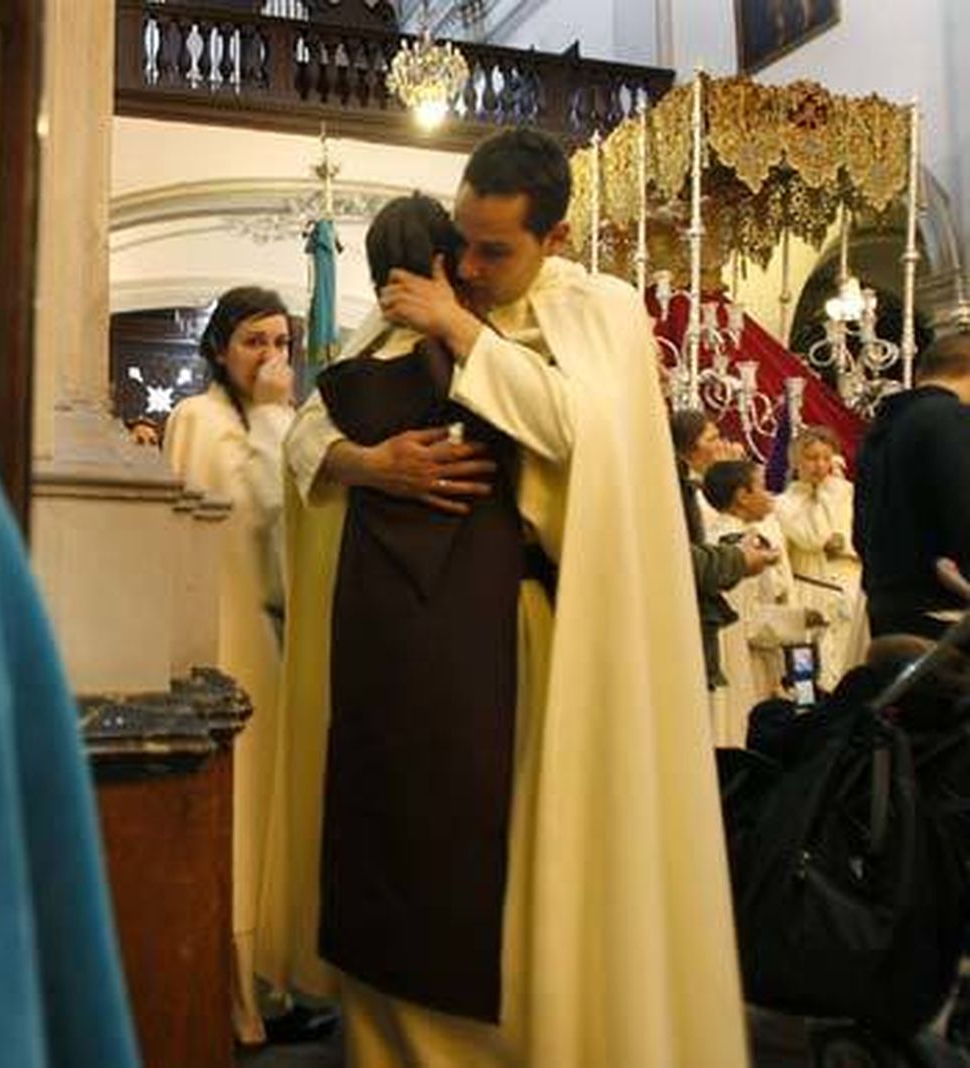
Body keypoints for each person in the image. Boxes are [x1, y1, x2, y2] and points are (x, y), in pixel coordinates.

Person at [280, 128, 750, 1067]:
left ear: (557, 237)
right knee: (405, 848)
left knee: (521, 875)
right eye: (463, 241)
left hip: (538, 648)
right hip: (411, 651)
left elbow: (576, 432)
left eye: (495, 251)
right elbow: (304, 433)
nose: (470, 267)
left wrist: (460, 332)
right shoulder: (424, 301)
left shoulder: (597, 310)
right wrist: (368, 463)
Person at [296, 194, 527, 1027]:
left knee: (424, 790)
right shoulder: (383, 347)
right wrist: (369, 463)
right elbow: (304, 439)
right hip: (429, 608)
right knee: (418, 790)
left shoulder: (497, 338)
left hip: (442, 603)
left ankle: (412, 995)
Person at [161, 287, 299, 1047]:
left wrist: (279, 419)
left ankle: (269, 989)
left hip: (269, 640)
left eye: (281, 343)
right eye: (253, 341)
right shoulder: (197, 418)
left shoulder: (278, 420)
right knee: (237, 817)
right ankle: (234, 1000)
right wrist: (275, 423)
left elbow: (292, 524)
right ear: (220, 348)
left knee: (270, 813)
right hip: (222, 635)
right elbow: (234, 512)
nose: (269, 357)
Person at [855, 332, 970, 639]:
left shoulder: (881, 428)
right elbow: (963, 507)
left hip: (889, 610)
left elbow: (861, 533)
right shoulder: (949, 417)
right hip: (945, 613)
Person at [703, 459, 819, 746]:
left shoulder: (720, 539)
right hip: (743, 663)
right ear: (742, 496)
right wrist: (800, 619)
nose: (769, 495)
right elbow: (745, 621)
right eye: (762, 487)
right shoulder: (736, 548)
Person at [670, 409, 778, 696]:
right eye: (712, 438)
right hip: (727, 644)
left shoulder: (746, 528)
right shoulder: (717, 526)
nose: (720, 445)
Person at [776, 425, 865, 688]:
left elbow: (865, 535)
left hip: (849, 593)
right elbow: (815, 536)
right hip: (808, 596)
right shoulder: (785, 503)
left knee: (851, 673)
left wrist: (845, 544)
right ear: (796, 461)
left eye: (827, 458)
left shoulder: (847, 493)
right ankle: (806, 710)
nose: (820, 465)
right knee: (806, 679)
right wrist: (825, 494)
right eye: (812, 458)